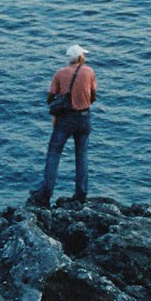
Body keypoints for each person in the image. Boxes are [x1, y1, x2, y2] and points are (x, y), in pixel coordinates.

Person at [28, 44, 97, 207]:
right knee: (81, 155)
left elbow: (50, 98)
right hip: (84, 117)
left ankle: (45, 194)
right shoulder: (89, 72)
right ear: (80, 58)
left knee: (54, 153)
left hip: (65, 119)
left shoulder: (60, 73)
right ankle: (81, 195)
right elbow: (93, 96)